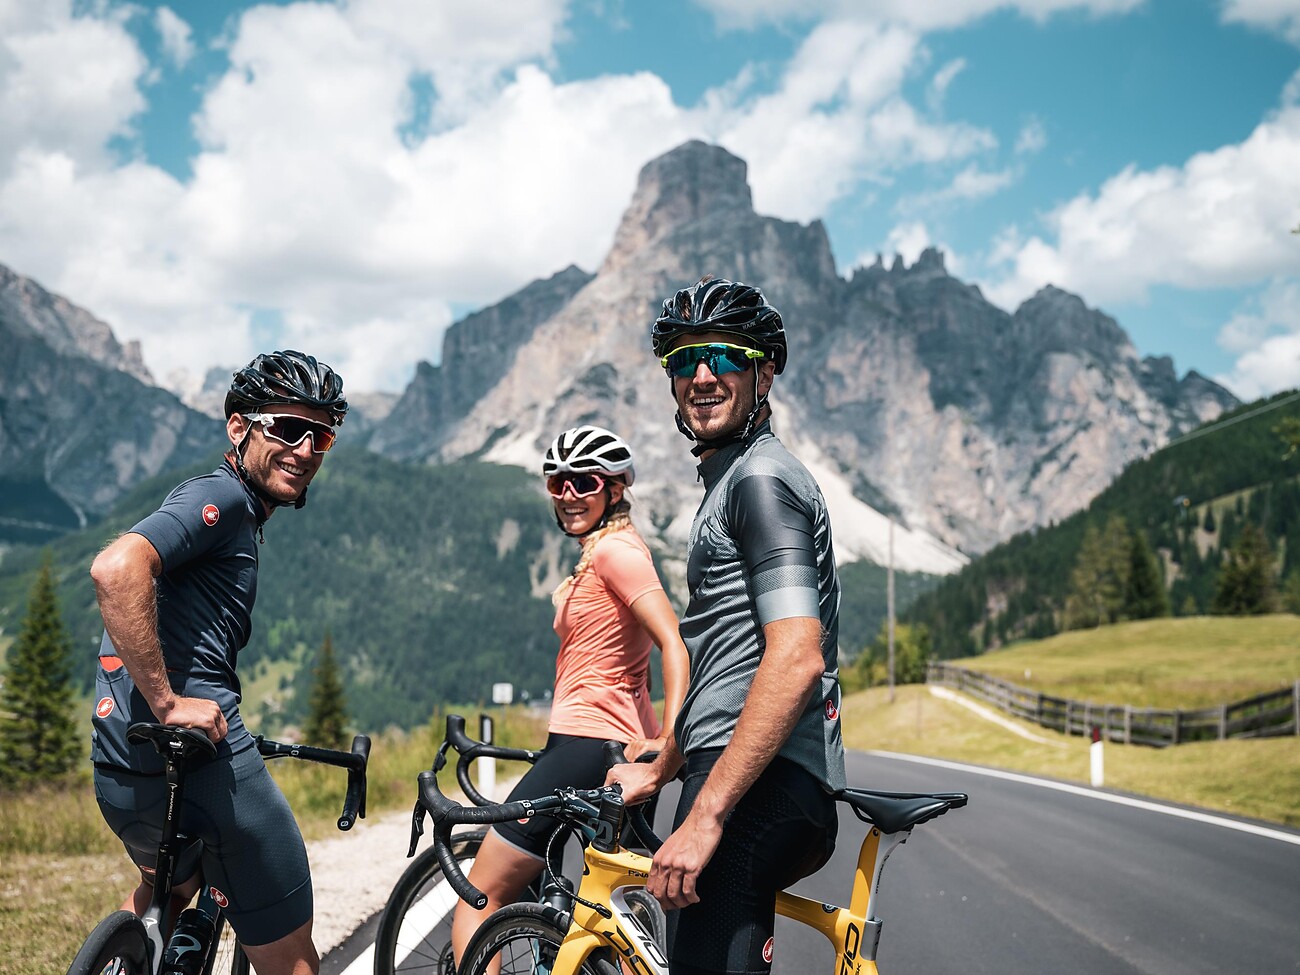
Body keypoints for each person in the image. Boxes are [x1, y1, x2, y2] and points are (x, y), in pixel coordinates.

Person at [607, 278, 847, 975]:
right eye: (685, 360)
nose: (703, 376)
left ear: (763, 373)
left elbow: (796, 657)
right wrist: (662, 764)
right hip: (738, 771)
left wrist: (707, 814)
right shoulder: (732, 480)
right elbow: (727, 663)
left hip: (759, 783)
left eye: (724, 356)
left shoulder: (761, 482)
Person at [88, 350, 349, 975]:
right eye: (289, 428)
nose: (305, 450)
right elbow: (116, 568)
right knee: (294, 960)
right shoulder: (222, 497)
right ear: (239, 427)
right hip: (202, 763)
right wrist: (170, 703)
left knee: (167, 892)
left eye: (321, 436)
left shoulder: (228, 508)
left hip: (121, 765)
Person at [451, 424, 690, 965]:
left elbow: (674, 643)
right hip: (601, 745)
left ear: (615, 489)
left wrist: (670, 738)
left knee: (481, 895)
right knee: (611, 912)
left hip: (589, 743)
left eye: (584, 482)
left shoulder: (615, 554)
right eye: (557, 482)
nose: (568, 494)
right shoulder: (605, 551)